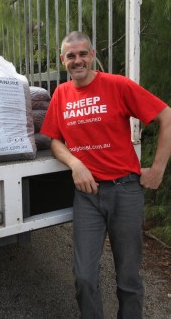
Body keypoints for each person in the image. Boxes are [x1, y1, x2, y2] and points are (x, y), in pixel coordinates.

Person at [40, 31, 171, 319]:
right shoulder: (61, 94)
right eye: (71, 56)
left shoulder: (117, 85)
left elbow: (166, 116)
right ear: (63, 60)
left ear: (93, 54)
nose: (77, 60)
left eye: (82, 53)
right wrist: (75, 163)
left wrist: (158, 169)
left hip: (125, 192)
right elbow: (53, 140)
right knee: (84, 277)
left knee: (128, 279)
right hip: (87, 196)